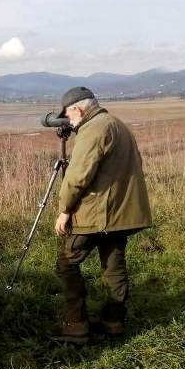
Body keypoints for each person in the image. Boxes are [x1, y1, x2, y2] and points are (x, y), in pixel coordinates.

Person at [52, 86, 152, 344]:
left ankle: (75, 326)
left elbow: (77, 176)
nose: (68, 121)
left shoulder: (93, 128)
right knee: (114, 265)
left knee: (67, 261)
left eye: (68, 114)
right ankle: (113, 322)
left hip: (100, 214)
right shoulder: (117, 124)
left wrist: (65, 210)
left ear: (77, 108)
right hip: (122, 211)